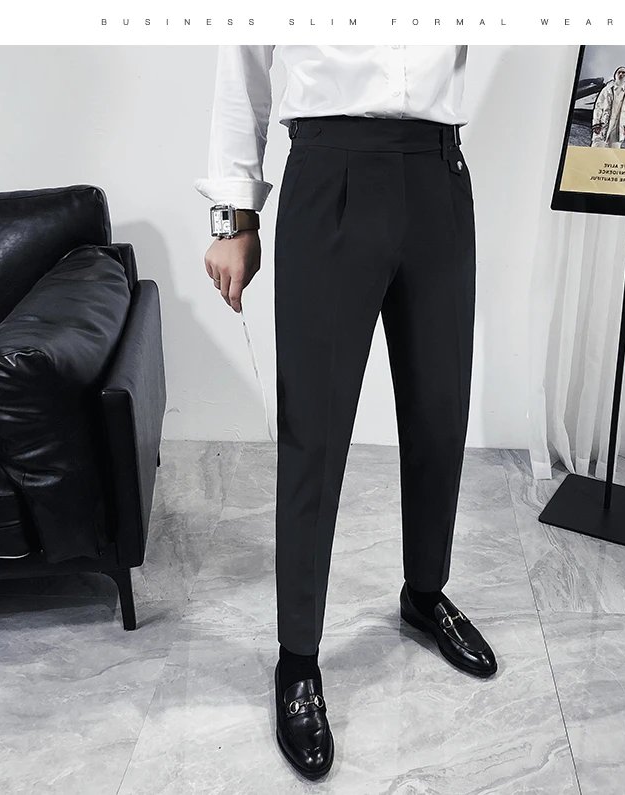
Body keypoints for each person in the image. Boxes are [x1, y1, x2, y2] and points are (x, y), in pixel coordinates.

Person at [195, 45, 497, 781]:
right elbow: (243, 69)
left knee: (440, 408)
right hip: (328, 170)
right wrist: (233, 217)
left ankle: (425, 593)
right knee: (315, 430)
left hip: (438, 172)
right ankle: (298, 657)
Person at [591, 65, 625, 148]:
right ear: (615, 74)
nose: (621, 74)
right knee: (597, 147)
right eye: (619, 72)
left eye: (623, 73)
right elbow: (598, 106)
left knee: (614, 151)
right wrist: (596, 123)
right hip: (604, 123)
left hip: (618, 126)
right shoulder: (607, 90)